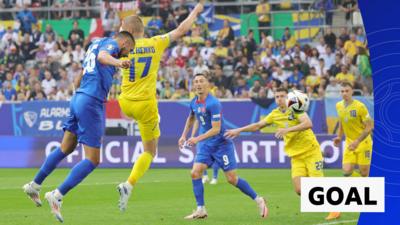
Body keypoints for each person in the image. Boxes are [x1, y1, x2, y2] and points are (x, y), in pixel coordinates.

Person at [22, 31, 134, 222]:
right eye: (128, 50)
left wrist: (81, 97)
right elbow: (103, 57)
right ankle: (57, 195)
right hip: (91, 101)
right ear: (123, 42)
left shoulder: (95, 44)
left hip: (78, 97)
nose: (127, 54)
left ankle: (35, 184)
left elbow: (78, 78)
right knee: (93, 160)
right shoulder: (111, 47)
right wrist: (119, 63)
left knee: (66, 147)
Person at [116, 1, 205, 212]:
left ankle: (155, 122)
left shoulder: (118, 45)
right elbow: (183, 29)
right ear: (141, 30)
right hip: (145, 105)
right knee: (150, 151)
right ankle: (128, 184)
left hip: (124, 102)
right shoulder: (155, 42)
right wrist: (196, 10)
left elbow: (121, 33)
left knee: (150, 126)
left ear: (125, 31)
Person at [225, 88, 334, 220]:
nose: (279, 99)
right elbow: (258, 125)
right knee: (299, 190)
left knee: (318, 184)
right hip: (296, 156)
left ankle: (334, 208)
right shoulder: (274, 114)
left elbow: (308, 123)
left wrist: (287, 130)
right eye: (277, 97)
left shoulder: (295, 108)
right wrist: (239, 130)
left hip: (311, 151)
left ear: (287, 98)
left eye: (282, 96)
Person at [179, 73, 268, 219]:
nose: (198, 84)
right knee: (195, 172)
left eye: (201, 81)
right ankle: (201, 209)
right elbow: (191, 118)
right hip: (206, 145)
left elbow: (215, 129)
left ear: (208, 84)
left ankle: (259, 200)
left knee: (232, 179)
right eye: (196, 82)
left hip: (222, 144)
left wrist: (196, 139)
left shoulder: (213, 103)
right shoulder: (194, 102)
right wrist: (184, 135)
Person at [326, 82, 373, 220]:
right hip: (349, 143)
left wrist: (357, 141)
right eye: (342, 91)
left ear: (352, 92)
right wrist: (339, 137)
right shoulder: (338, 105)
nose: (344, 93)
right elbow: (342, 122)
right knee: (346, 172)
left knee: (365, 173)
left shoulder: (360, 107)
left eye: (347, 90)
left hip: (363, 143)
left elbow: (369, 126)